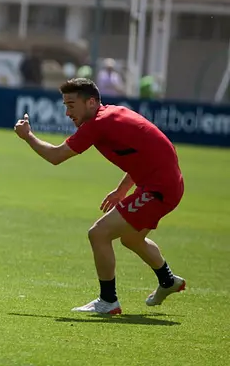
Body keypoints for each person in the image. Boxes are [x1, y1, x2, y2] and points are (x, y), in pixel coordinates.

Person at [13, 77, 186, 315]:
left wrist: (28, 136)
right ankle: (168, 281)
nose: (67, 113)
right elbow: (146, 153)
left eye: (71, 105)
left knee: (98, 234)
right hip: (164, 183)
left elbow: (56, 156)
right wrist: (122, 190)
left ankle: (108, 301)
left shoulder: (97, 124)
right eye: (65, 105)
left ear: (91, 102)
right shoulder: (111, 114)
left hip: (159, 188)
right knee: (131, 239)